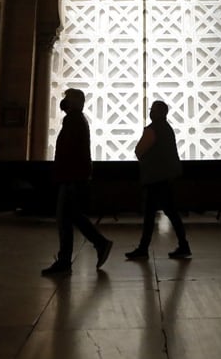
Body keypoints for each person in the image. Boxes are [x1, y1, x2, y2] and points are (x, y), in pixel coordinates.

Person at [41, 88, 114, 276]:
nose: (63, 101)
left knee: (65, 218)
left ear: (74, 102)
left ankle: (70, 259)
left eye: (67, 98)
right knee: (71, 216)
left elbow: (69, 152)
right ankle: (98, 244)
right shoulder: (76, 120)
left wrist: (62, 174)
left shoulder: (73, 121)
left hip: (71, 177)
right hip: (73, 175)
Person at [124, 100, 191, 260]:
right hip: (165, 177)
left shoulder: (152, 129)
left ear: (157, 112)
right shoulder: (167, 129)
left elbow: (139, 150)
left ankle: (144, 248)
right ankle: (182, 245)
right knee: (170, 212)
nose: (150, 112)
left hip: (154, 178)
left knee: (150, 214)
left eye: (152, 110)